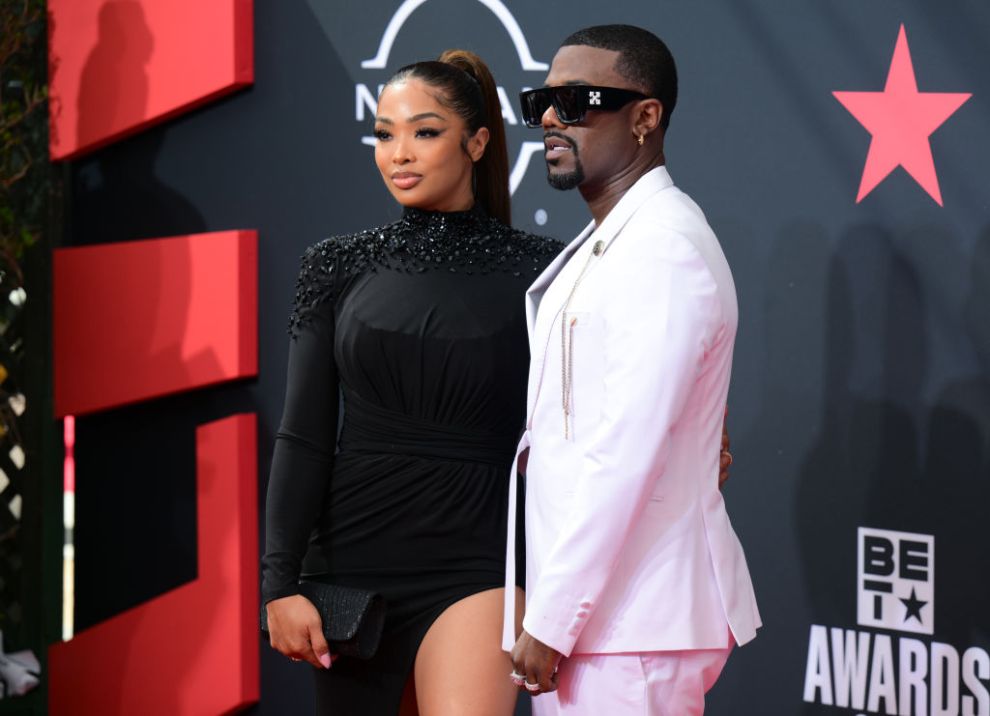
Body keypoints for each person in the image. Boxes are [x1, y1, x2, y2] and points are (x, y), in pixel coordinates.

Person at [261, 50, 563, 715]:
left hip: (479, 561)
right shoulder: (335, 266)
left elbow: (594, 417)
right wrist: (278, 584)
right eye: (384, 134)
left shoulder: (548, 273)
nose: (399, 153)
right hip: (351, 565)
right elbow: (304, 436)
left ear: (476, 143)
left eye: (424, 132)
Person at [504, 25, 761, 715]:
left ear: (645, 117)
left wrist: (552, 617)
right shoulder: (613, 241)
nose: (549, 118)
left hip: (634, 626)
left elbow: (625, 450)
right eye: (540, 102)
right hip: (604, 624)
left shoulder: (662, 248)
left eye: (575, 100)